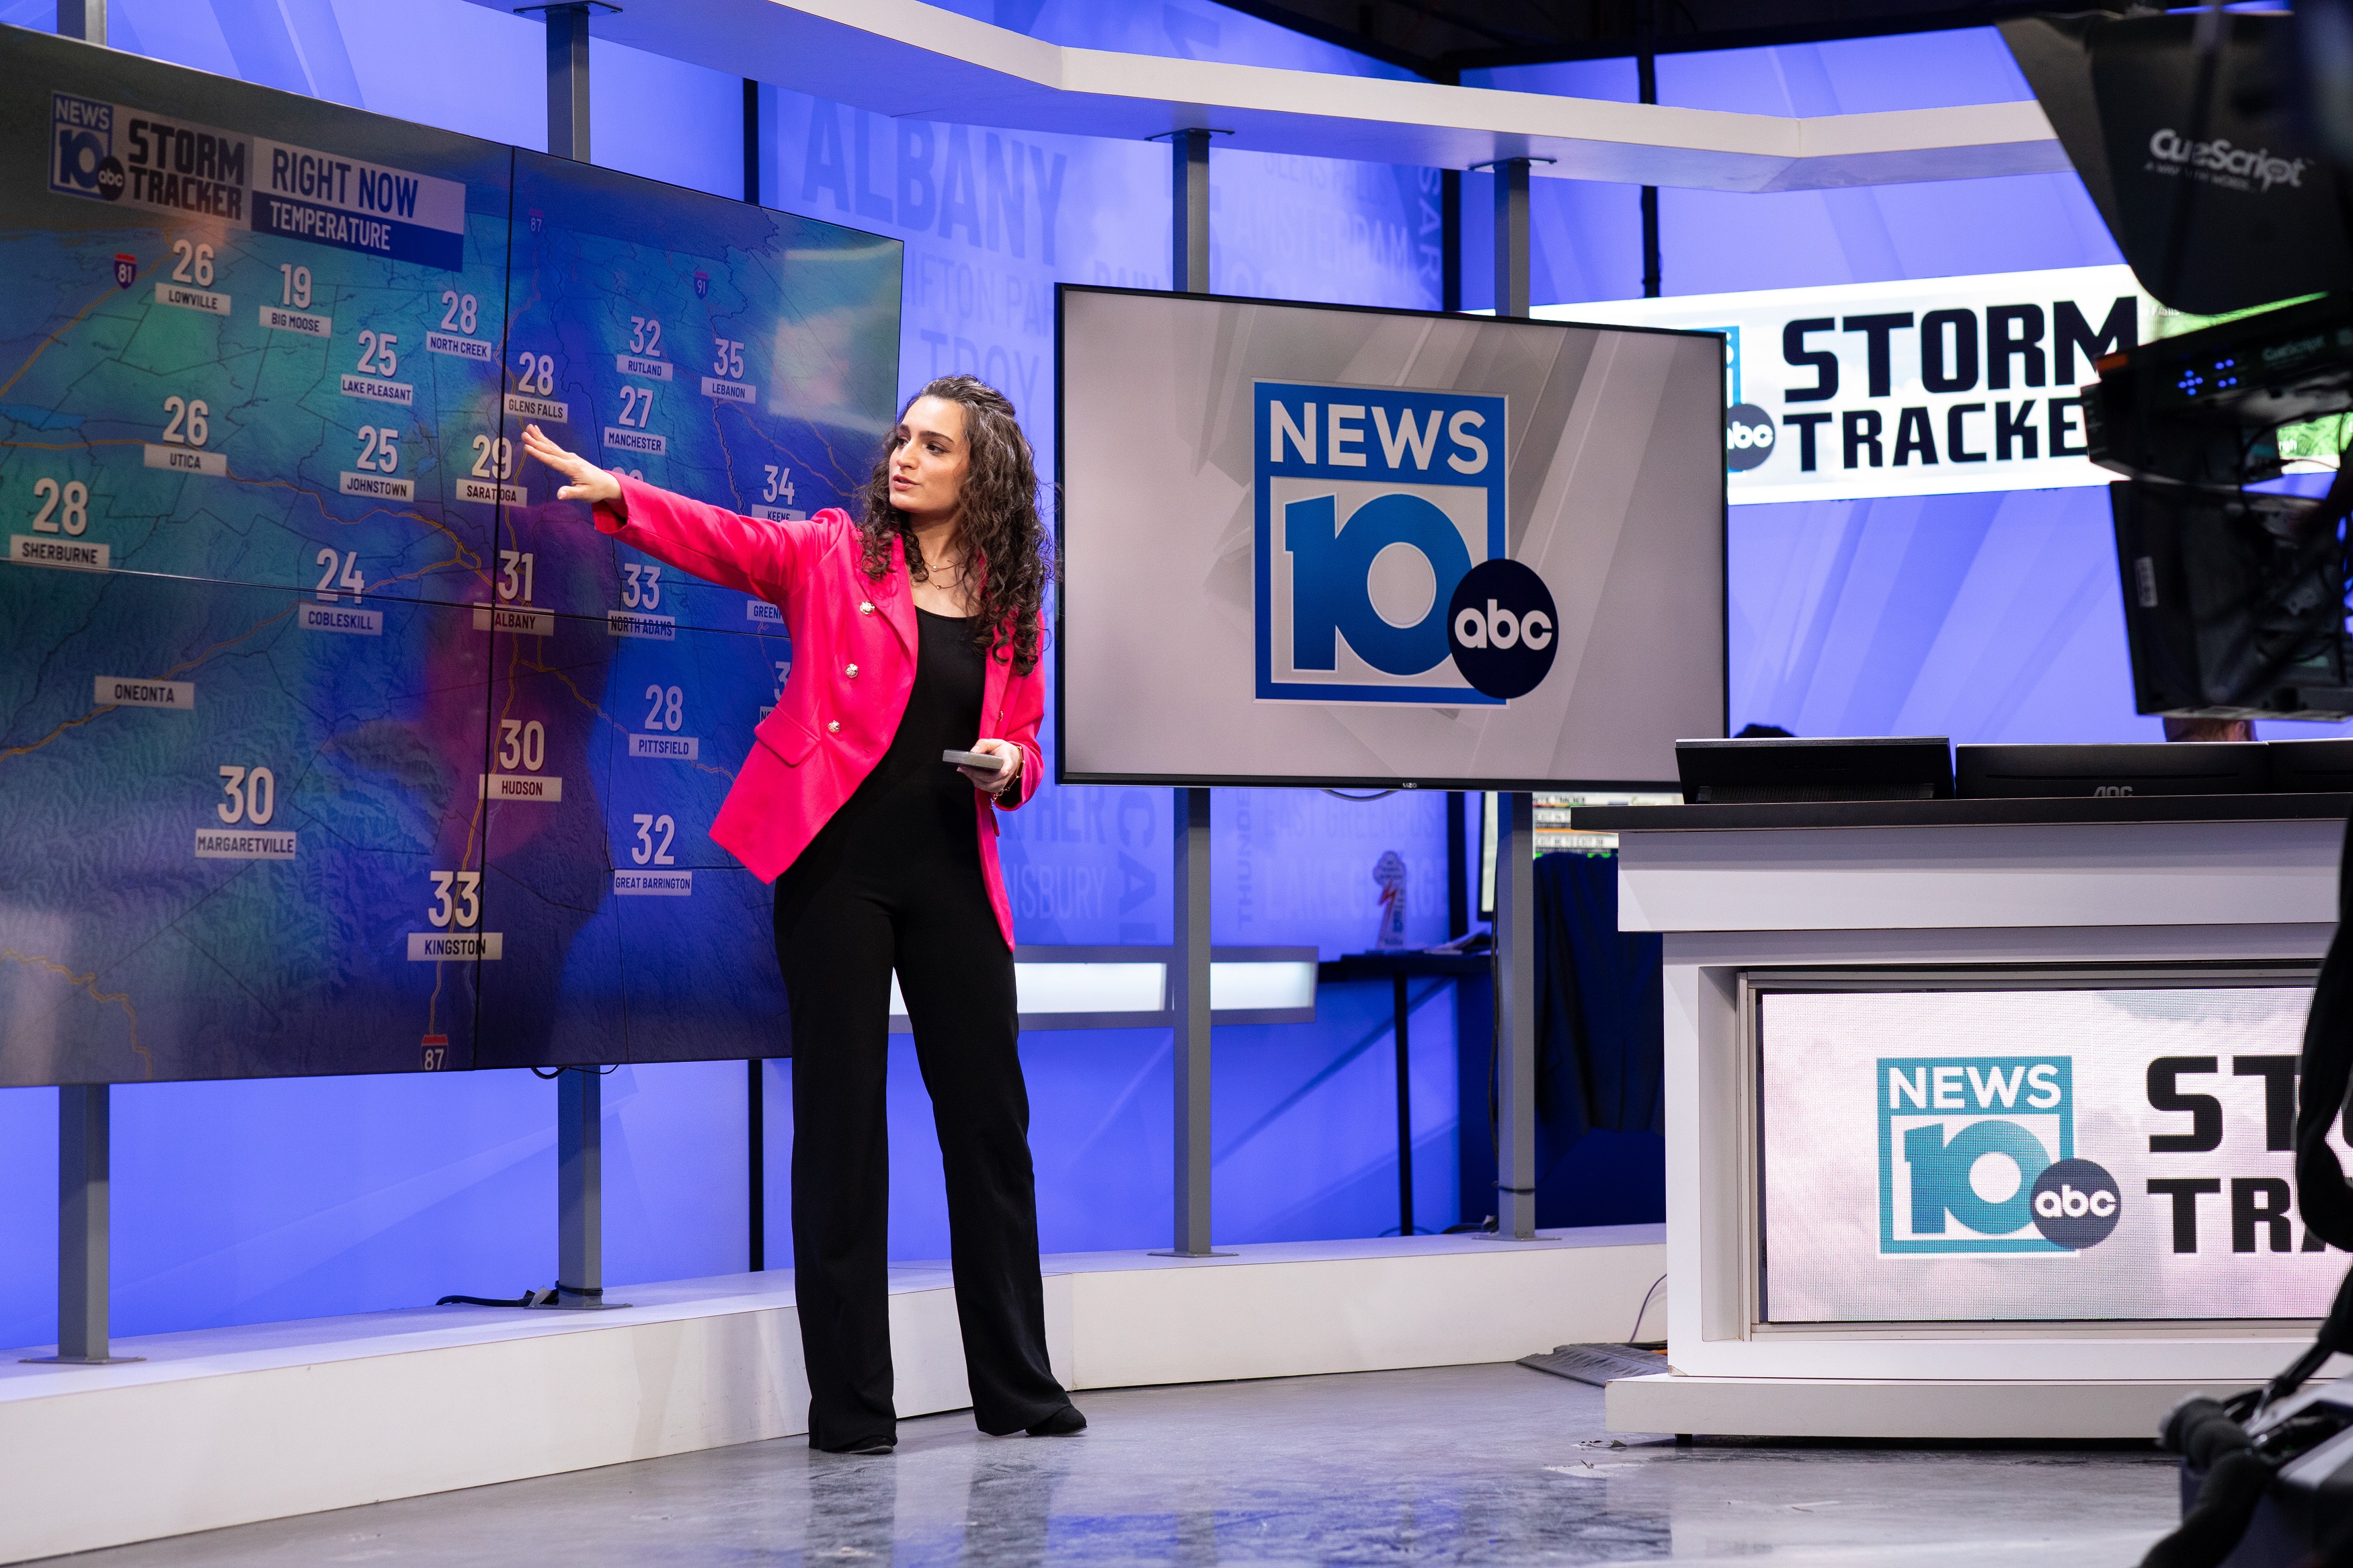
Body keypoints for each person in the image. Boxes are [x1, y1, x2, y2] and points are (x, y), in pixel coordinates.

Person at [520, 375, 1083, 1456]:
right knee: (840, 1129)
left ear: (984, 472)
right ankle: (853, 1408)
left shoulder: (1013, 605)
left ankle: (1018, 1386)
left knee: (989, 1128)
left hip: (954, 873)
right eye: (902, 436)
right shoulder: (833, 553)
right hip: (836, 870)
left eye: (934, 444)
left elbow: (1027, 741)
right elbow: (731, 541)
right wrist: (623, 495)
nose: (904, 455)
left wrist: (1012, 763)